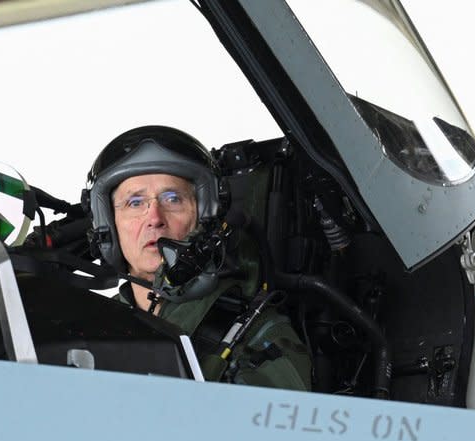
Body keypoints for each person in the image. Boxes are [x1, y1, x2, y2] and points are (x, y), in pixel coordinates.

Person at [85, 125, 311, 390]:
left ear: (204, 218)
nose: (154, 219)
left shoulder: (255, 337)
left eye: (172, 199)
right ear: (108, 224)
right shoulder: (88, 328)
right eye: (135, 203)